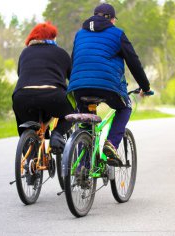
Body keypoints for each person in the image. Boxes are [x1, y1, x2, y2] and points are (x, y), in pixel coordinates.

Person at [67, 3, 153, 163]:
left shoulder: (79, 34)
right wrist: (145, 87)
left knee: (85, 124)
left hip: (79, 87)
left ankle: (82, 168)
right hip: (107, 87)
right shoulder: (117, 33)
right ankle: (111, 143)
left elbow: (74, 61)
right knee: (125, 107)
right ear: (111, 20)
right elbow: (133, 62)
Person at [12, 22, 73, 153]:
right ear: (52, 37)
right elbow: (72, 77)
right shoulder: (61, 53)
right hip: (53, 96)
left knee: (23, 117)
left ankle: (28, 150)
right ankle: (57, 134)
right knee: (73, 108)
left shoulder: (24, 53)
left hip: (22, 97)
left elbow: (20, 74)